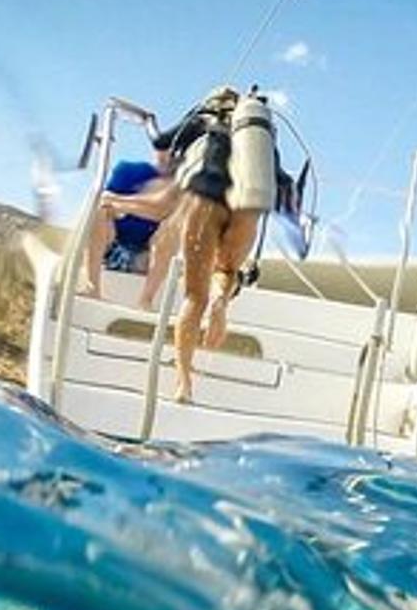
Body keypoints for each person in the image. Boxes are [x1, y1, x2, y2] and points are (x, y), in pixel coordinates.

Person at [151, 85, 281, 403]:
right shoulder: (259, 140)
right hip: (247, 207)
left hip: (205, 197)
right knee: (226, 268)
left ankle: (183, 382)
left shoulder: (202, 121)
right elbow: (281, 179)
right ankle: (221, 304)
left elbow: (160, 141)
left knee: (195, 296)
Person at [78, 143, 178, 297]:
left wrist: (123, 205)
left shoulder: (184, 186)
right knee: (99, 211)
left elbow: (161, 209)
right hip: (114, 248)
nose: (171, 154)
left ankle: (146, 300)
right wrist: (138, 207)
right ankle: (93, 287)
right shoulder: (128, 170)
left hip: (146, 258)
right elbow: (105, 200)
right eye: (166, 148)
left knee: (171, 228)